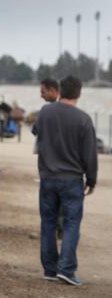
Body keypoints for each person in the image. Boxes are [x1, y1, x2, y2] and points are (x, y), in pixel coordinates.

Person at [32, 76, 97, 286]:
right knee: (71, 224)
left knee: (48, 223)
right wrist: (92, 179)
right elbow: (90, 154)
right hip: (71, 178)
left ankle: (50, 269)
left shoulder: (45, 112)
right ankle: (66, 268)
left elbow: (36, 131)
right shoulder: (84, 119)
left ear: (60, 91)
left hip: (48, 176)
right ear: (79, 93)